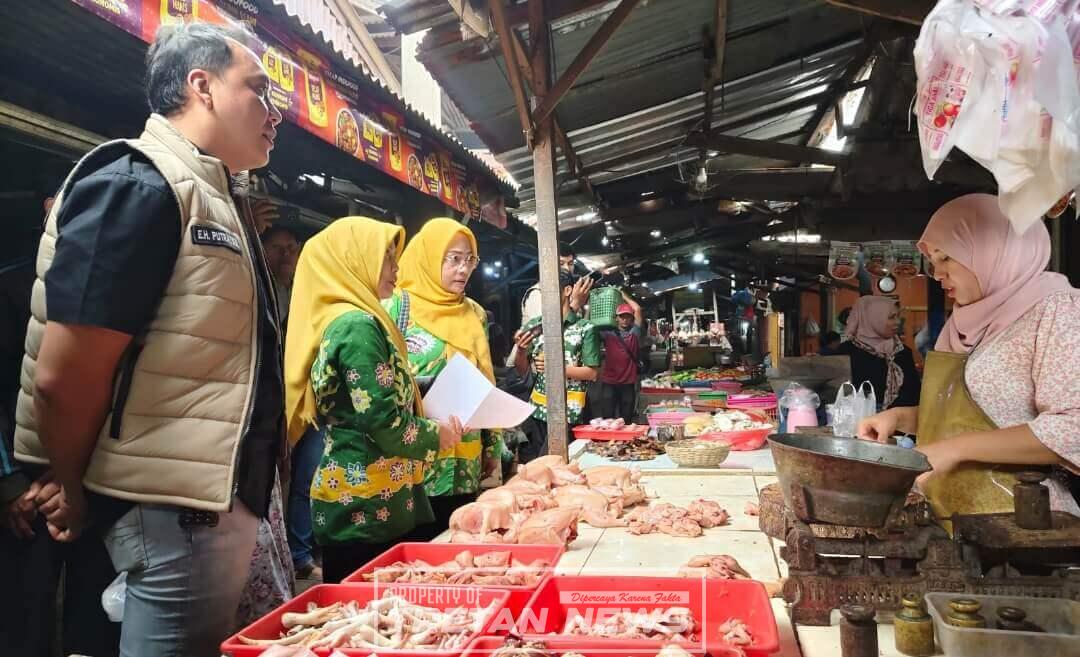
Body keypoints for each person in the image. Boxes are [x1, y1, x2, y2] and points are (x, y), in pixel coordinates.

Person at [12, 22, 285, 657]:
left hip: (199, 505)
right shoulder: (140, 184)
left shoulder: (213, 195)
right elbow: (66, 375)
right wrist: (70, 483)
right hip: (166, 511)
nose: (275, 114)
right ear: (202, 86)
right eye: (259, 90)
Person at [858, 194, 1080, 520]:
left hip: (1023, 523)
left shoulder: (1057, 311)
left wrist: (954, 451)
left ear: (993, 250)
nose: (936, 273)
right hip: (946, 513)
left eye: (946, 258)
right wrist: (901, 419)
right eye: (933, 261)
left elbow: (1072, 428)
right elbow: (976, 413)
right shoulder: (964, 322)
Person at [283, 217, 464, 584]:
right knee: (369, 604)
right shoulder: (357, 326)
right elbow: (381, 421)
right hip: (366, 505)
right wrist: (437, 435)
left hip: (367, 496)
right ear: (354, 260)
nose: (397, 268)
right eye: (386, 257)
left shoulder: (344, 319)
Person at [384, 218, 499, 540]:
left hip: (466, 449)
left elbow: (485, 378)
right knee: (417, 544)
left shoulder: (474, 313)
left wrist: (493, 445)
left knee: (459, 538)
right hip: (416, 451)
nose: (463, 269)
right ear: (429, 257)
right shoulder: (396, 306)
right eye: (453, 259)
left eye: (470, 260)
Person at [514, 273, 600, 462]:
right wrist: (520, 351)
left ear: (567, 291)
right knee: (538, 464)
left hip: (570, 412)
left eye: (550, 290)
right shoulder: (536, 325)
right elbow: (522, 370)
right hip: (537, 411)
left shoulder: (585, 328)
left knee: (557, 464)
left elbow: (592, 373)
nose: (545, 296)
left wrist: (555, 367)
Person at [838, 296, 921, 410]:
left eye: (898, 316)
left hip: (900, 417)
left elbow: (915, 393)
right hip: (861, 417)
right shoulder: (846, 351)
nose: (897, 322)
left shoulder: (902, 351)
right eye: (891, 317)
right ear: (873, 319)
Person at [598, 293, 645, 423]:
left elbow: (637, 309)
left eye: (628, 317)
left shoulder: (634, 333)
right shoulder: (607, 334)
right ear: (616, 318)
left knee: (626, 420)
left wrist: (623, 295)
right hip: (609, 383)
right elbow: (589, 327)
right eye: (621, 316)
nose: (625, 319)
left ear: (631, 319)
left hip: (628, 384)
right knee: (608, 419)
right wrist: (589, 309)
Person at [261, 224, 300, 328]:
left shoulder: (307, 287)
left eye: (291, 247)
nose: (285, 253)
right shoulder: (258, 288)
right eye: (277, 247)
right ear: (263, 250)